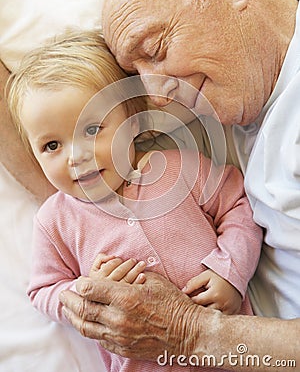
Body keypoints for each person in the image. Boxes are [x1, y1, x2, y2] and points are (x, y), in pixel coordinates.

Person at [58, 0, 300, 370]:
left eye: (156, 47)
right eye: (137, 74)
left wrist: (191, 333)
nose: (157, 96)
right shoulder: (245, 95)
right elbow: (71, 173)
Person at [7, 30, 262, 372]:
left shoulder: (179, 169)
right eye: (52, 146)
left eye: (93, 129)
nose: (76, 156)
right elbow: (43, 290)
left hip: (236, 353)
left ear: (133, 121)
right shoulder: (55, 221)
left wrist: (231, 270)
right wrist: (85, 293)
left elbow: (238, 205)